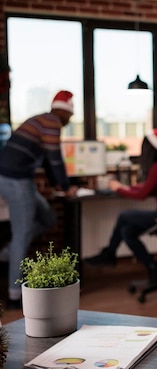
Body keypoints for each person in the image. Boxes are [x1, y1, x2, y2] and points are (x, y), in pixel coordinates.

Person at [0, 90, 79, 309]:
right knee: (22, 235)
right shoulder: (52, 123)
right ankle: (15, 295)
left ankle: (7, 253)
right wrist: (65, 186)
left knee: (48, 217)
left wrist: (57, 185)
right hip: (15, 180)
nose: (69, 120)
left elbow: (45, 157)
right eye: (70, 116)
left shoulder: (41, 120)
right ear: (64, 113)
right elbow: (55, 158)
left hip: (18, 179)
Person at [84, 129, 157, 285]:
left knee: (124, 216)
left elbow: (142, 194)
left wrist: (119, 188)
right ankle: (154, 268)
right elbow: (146, 188)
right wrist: (126, 187)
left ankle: (110, 254)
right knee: (127, 232)